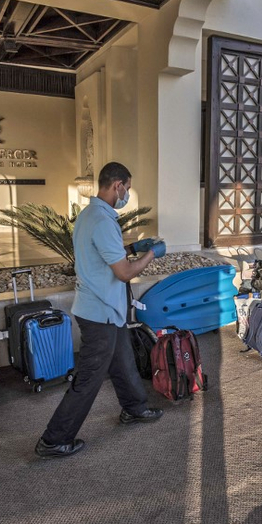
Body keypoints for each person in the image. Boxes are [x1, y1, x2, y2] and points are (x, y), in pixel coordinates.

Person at [35, 162, 166, 459]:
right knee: (89, 378)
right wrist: (150, 254)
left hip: (105, 308)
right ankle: (54, 439)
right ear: (117, 185)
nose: (127, 194)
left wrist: (132, 247)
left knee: (123, 360)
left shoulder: (90, 215)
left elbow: (104, 253)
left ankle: (135, 408)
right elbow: (123, 272)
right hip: (100, 312)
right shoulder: (104, 221)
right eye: (128, 188)